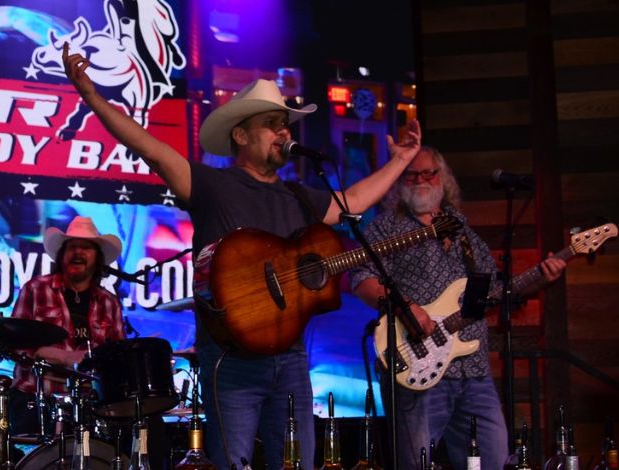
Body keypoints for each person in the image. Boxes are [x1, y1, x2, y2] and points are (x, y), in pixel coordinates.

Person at [62, 43, 422, 469]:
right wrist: (91, 95)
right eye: (272, 124)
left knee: (297, 463)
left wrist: (400, 162)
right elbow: (150, 147)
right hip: (230, 362)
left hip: (289, 358)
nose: (284, 133)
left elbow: (352, 200)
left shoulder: (296, 195)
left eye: (285, 125)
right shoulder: (213, 185)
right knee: (233, 463)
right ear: (241, 135)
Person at [351, 146, 566, 470]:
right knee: (416, 463)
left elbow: (495, 294)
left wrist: (540, 277)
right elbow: (361, 279)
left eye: (428, 173)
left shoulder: (464, 232)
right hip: (416, 368)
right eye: (411, 174)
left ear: (443, 179)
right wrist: (406, 308)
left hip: (473, 371)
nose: (420, 180)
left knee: (494, 460)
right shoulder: (386, 229)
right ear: (398, 182)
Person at [9, 215, 126, 434]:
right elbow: (15, 345)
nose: (78, 252)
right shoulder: (35, 289)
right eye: (72, 247)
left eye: (86, 247)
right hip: (36, 399)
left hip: (90, 403)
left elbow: (117, 359)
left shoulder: (109, 302)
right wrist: (63, 357)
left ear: (98, 259)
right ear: (62, 255)